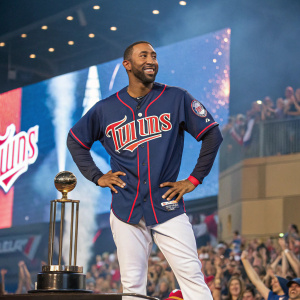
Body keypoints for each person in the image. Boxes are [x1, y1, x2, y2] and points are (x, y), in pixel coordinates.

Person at [67, 41, 223, 300]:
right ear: (127, 65)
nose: (151, 60)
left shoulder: (175, 97)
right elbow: (75, 140)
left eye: (154, 55)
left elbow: (212, 135)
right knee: (133, 289)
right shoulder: (106, 108)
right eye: (144, 55)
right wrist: (97, 176)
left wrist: (194, 179)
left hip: (166, 204)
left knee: (192, 278)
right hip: (125, 206)